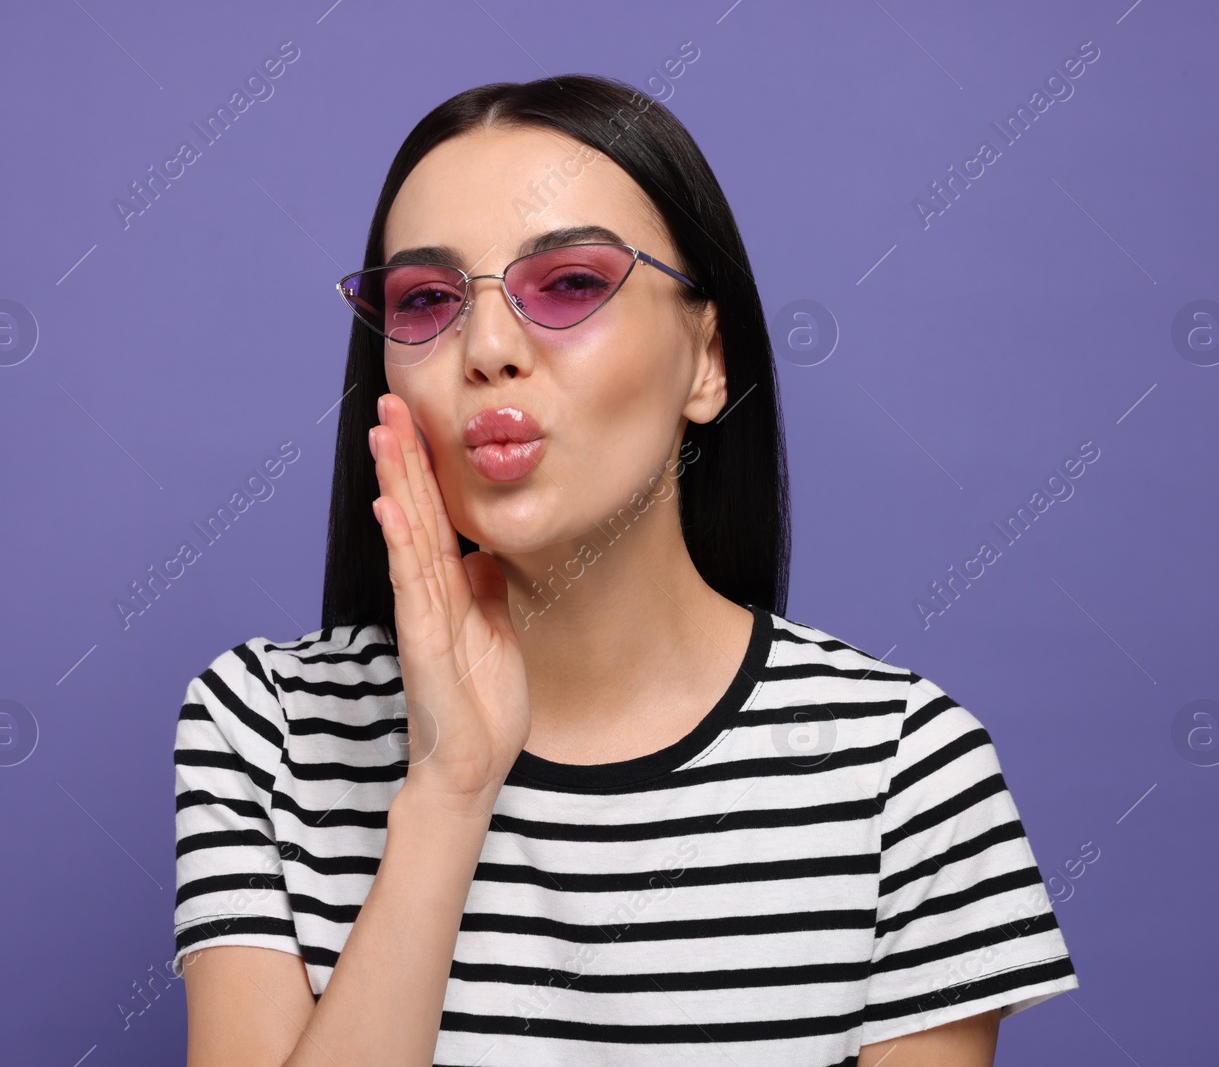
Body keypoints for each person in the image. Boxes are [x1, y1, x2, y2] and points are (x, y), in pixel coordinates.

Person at [171, 73, 1079, 1067]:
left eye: (567, 282)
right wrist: (446, 793)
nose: (487, 350)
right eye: (427, 300)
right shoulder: (269, 724)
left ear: (706, 359)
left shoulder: (901, 768)